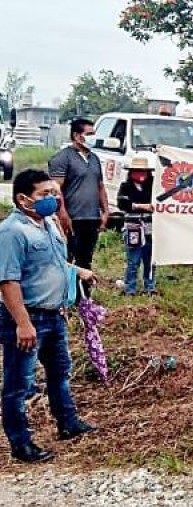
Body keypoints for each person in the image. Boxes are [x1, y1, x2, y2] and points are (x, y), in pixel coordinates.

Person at [0, 170, 97, 463]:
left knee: (59, 373)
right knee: (19, 384)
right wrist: (23, 323)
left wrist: (77, 272)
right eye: (45, 194)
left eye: (55, 193)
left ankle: (67, 422)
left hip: (54, 316)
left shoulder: (49, 225)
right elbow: (8, 281)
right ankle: (21, 444)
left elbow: (54, 261)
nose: (53, 199)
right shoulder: (12, 232)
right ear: (23, 198)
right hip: (28, 318)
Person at [49, 118, 110, 271]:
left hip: (91, 217)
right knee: (67, 258)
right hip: (72, 217)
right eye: (89, 134)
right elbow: (56, 188)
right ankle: (66, 293)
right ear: (77, 136)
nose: (93, 137)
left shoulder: (94, 159)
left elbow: (100, 186)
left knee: (86, 260)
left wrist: (105, 211)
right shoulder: (63, 158)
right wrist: (63, 214)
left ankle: (83, 293)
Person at [118, 154, 156, 296]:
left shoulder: (154, 187)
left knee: (150, 260)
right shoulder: (126, 186)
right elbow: (122, 204)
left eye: (143, 171)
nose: (140, 174)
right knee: (133, 260)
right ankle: (130, 289)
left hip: (150, 228)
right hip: (132, 227)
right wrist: (141, 206)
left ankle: (149, 287)